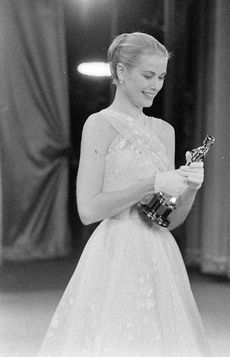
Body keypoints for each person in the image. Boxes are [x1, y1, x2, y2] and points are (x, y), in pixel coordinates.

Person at [39, 32, 212, 357]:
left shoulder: (164, 131)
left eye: (161, 76)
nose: (156, 85)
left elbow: (167, 220)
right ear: (120, 72)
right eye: (148, 75)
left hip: (159, 255)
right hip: (114, 254)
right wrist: (153, 183)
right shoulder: (99, 124)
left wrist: (189, 186)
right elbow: (88, 210)